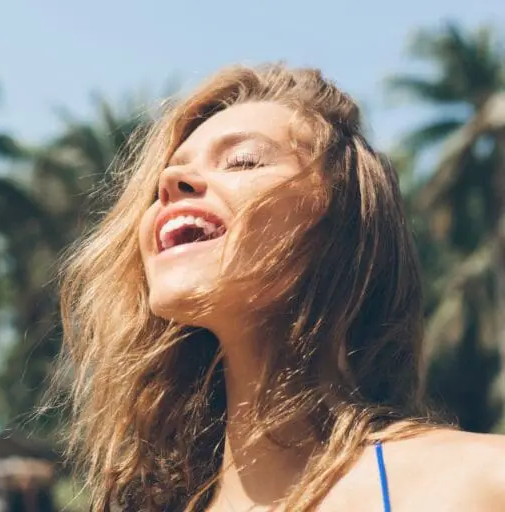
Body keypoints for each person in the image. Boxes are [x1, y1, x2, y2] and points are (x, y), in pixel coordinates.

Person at [53, 64, 505, 511]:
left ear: (341, 220)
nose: (170, 184)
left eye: (242, 160)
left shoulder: (478, 483)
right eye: (166, 177)